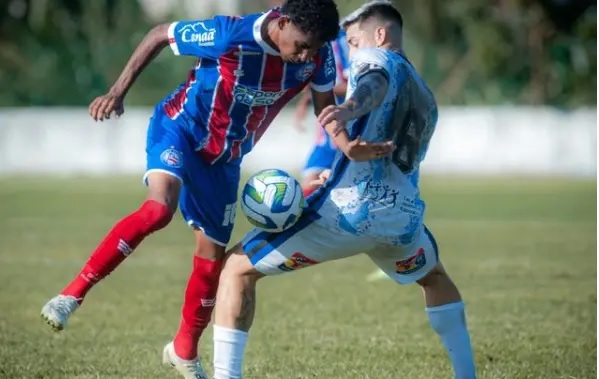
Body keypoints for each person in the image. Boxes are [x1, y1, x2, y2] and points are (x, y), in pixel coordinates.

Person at [39, 1, 389, 378]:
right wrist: (117, 92)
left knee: (211, 262)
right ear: (283, 22)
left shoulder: (316, 57)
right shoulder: (231, 35)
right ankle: (70, 295)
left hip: (224, 159)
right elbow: (159, 34)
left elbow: (327, 111)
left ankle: (183, 351)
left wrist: (346, 146)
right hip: (180, 129)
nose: (305, 55)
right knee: (158, 210)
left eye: (315, 48)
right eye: (302, 45)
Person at [210, 2, 477, 379]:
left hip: (346, 215)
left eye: (352, 41)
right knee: (433, 277)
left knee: (236, 270)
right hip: (401, 219)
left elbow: (371, 83)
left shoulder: (376, 60)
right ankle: (467, 374)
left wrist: (349, 108)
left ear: (379, 36)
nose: (349, 51)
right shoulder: (423, 91)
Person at [294, 28, 350, 198]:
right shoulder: (311, 37)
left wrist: (322, 90)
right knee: (309, 187)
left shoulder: (343, 40)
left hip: (345, 131)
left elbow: (358, 85)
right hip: (325, 137)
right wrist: (305, 101)